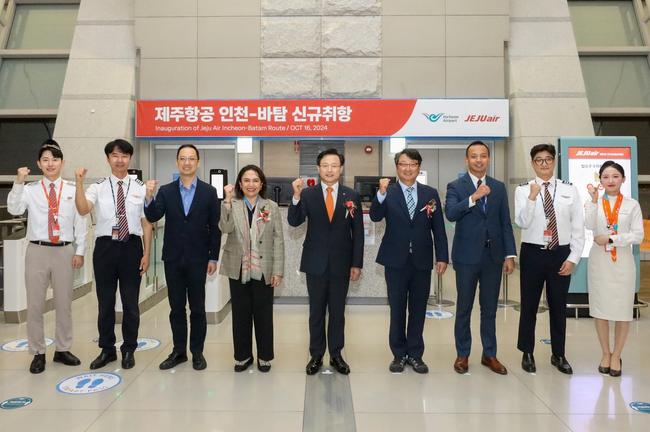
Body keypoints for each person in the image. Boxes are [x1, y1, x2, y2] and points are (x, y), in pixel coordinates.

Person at [7, 140, 87, 374]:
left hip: (64, 250)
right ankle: (38, 352)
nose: (50, 164)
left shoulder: (72, 189)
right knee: (35, 305)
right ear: (39, 164)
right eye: (45, 160)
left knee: (64, 304)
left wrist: (80, 251)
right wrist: (19, 182)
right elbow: (14, 209)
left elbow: (80, 221)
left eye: (55, 159)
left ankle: (63, 349)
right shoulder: (30, 190)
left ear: (62, 162)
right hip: (37, 250)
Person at [74, 139, 152, 370]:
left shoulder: (140, 187)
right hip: (105, 248)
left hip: (131, 247)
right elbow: (82, 209)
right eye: (115, 156)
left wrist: (147, 253)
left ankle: (129, 349)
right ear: (108, 158)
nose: (120, 160)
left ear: (130, 159)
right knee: (105, 303)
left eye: (124, 156)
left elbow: (146, 224)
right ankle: (107, 349)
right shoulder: (97, 187)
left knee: (130, 304)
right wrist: (79, 183)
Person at [369, 149, 448, 374]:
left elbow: (438, 228)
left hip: (422, 260)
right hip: (395, 260)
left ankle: (415, 354)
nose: (408, 168)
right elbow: (375, 216)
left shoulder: (430, 193)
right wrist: (380, 193)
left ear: (419, 167)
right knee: (397, 309)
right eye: (403, 164)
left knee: (418, 309)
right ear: (397, 167)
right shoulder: (389, 192)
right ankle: (398, 354)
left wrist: (442, 256)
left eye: (413, 164)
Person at [144, 144, 220, 371]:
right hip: (173, 258)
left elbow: (215, 228)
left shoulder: (209, 192)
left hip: (198, 259)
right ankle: (179, 351)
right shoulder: (166, 191)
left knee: (197, 309)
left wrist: (213, 257)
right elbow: (153, 215)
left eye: (191, 158)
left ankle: (197, 352)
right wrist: (148, 196)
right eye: (183, 158)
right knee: (176, 308)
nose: (187, 162)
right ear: (177, 162)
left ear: (198, 162)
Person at [288, 148, 364, 375]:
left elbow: (358, 233)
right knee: (316, 312)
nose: (330, 170)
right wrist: (296, 197)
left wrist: (356, 263)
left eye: (334, 165)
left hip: (342, 263)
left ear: (341, 169)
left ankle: (337, 354)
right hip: (315, 262)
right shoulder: (308, 194)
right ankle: (316, 355)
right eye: (325, 166)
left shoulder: (351, 195)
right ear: (318, 168)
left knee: (338, 313)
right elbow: (294, 221)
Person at [445, 140, 516, 375]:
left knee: (489, 309)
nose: (479, 160)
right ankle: (462, 354)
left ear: (488, 159)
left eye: (483, 156)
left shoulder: (499, 187)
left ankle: (489, 354)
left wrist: (509, 254)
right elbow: (451, 213)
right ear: (467, 160)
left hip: (493, 258)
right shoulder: (456, 186)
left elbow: (505, 222)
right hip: (466, 257)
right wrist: (473, 197)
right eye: (474, 156)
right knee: (464, 307)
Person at [514, 144, 584, 374]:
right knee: (529, 305)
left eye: (548, 159)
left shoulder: (569, 189)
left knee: (558, 305)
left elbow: (578, 226)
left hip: (560, 253)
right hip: (532, 252)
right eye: (539, 160)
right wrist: (532, 198)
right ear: (532, 163)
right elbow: (522, 222)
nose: (544, 164)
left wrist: (573, 258)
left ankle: (559, 354)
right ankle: (527, 351)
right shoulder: (523, 190)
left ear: (554, 162)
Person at [219, 165, 284, 372]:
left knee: (264, 315)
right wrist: (227, 201)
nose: (251, 184)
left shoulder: (270, 206)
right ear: (240, 183)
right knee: (240, 314)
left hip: (264, 268)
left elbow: (278, 239)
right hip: (238, 267)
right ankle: (243, 356)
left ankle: (264, 357)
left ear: (261, 183)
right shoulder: (232, 204)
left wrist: (278, 270)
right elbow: (225, 228)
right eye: (246, 180)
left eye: (255, 180)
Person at [585, 161, 644, 377]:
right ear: (600, 180)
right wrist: (593, 201)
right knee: (600, 308)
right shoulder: (593, 202)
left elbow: (638, 236)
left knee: (622, 309)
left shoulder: (632, 205)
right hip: (599, 262)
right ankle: (605, 353)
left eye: (615, 176)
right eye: (606, 176)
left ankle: (617, 354)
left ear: (623, 179)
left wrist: (612, 238)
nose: (610, 180)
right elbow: (589, 225)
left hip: (623, 263)